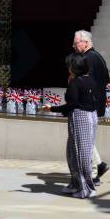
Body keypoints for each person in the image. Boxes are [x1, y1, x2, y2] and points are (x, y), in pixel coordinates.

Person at [41, 53, 98, 198]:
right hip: (91, 116)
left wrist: (51, 108)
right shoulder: (90, 80)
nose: (68, 68)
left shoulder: (76, 82)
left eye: (69, 65)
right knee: (74, 153)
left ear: (74, 67)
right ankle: (75, 184)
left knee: (79, 154)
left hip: (80, 118)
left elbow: (71, 104)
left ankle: (85, 188)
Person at [72, 30, 110, 185]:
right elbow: (107, 78)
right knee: (87, 138)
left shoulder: (88, 58)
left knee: (85, 139)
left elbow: (85, 82)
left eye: (76, 43)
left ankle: (94, 172)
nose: (73, 46)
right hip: (96, 103)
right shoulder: (98, 57)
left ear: (86, 42)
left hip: (88, 105)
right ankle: (99, 165)